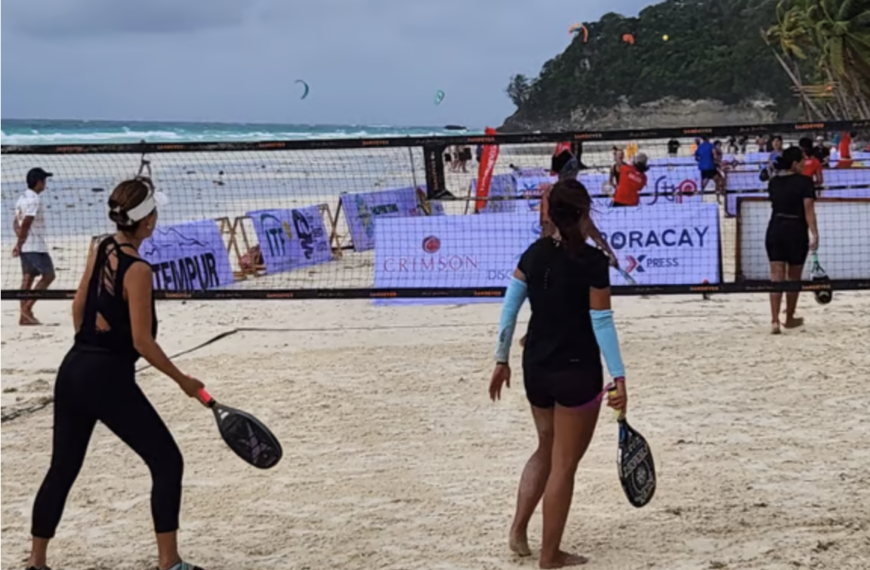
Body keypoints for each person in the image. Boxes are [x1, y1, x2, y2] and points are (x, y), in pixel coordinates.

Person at [25, 177, 207, 570]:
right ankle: (169, 562)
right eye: (155, 210)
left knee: (63, 468)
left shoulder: (99, 245)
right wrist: (184, 382)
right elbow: (143, 342)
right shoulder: (138, 269)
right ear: (147, 222)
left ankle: (36, 562)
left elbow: (78, 305)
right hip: (107, 377)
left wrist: (90, 346)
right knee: (167, 462)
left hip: (73, 367)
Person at [488, 179, 628, 569]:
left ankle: (518, 532)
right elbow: (602, 322)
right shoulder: (593, 262)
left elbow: (509, 311)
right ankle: (550, 557)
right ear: (584, 214)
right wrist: (619, 378)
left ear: (550, 213)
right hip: (576, 371)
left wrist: (501, 360)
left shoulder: (532, 255)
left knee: (546, 449)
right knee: (564, 465)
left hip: (536, 368)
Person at [765, 147, 819, 335]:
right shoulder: (805, 182)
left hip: (776, 228)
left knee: (776, 277)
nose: (805, 164)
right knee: (794, 278)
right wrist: (815, 233)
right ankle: (789, 317)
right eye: (803, 161)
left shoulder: (774, 183)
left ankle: (774, 321)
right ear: (795, 163)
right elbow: (808, 211)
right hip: (796, 229)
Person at [12, 168, 57, 325]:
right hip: (35, 246)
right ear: (38, 182)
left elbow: (15, 223)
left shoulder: (21, 198)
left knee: (28, 277)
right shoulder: (34, 200)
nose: (45, 183)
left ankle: (24, 316)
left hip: (27, 245)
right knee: (49, 275)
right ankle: (26, 310)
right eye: (44, 180)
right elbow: (26, 223)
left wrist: (19, 241)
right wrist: (20, 243)